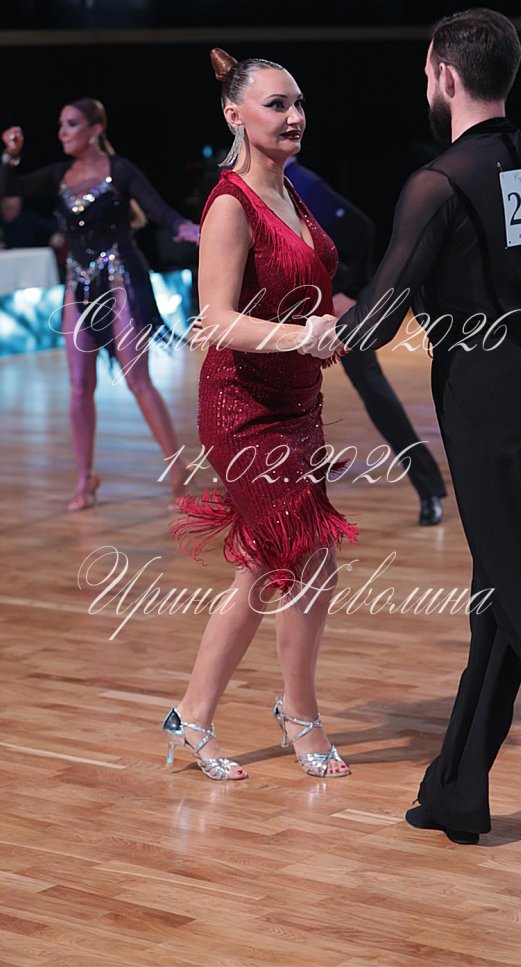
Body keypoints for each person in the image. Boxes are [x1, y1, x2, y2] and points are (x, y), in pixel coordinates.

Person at [299, 8, 521, 861]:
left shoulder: (436, 183)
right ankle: (456, 787)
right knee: (502, 592)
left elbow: (378, 319)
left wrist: (320, 325)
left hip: (488, 394)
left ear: (444, 74)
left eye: (425, 71)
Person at [165, 48, 357, 781]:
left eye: (298, 102)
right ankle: (300, 713)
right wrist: (299, 336)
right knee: (310, 560)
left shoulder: (291, 192)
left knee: (262, 566)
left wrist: (338, 319)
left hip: (298, 402)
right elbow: (212, 319)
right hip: (242, 407)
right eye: (277, 104)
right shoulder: (230, 203)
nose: (295, 115)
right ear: (234, 115)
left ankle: (192, 716)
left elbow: (300, 288)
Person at [0, 98, 199, 511]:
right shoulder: (59, 175)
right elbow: (7, 188)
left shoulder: (120, 170)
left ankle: (178, 472)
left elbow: (158, 209)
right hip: (79, 284)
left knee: (137, 379)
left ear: (94, 130)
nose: (62, 132)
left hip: (121, 278)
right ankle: (85, 479)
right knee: (78, 386)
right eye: (60, 125)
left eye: (71, 124)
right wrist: (10, 156)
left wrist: (185, 228)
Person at [284, 155, 447, 524]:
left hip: (327, 313)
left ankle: (428, 487)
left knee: (375, 394)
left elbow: (361, 230)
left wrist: (346, 289)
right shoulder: (256, 186)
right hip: (283, 314)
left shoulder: (302, 181)